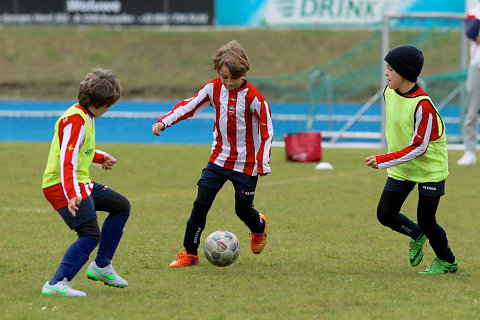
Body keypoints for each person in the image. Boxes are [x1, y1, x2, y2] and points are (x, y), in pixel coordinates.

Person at [152, 40, 273, 268]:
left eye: (232, 78)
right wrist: (164, 122)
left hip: (246, 165)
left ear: (243, 72)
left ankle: (258, 227)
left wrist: (263, 162)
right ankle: (190, 253)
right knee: (201, 204)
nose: (227, 82)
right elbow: (189, 106)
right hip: (218, 159)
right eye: (223, 77)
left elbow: (267, 131)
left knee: (242, 209)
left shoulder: (254, 98)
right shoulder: (213, 88)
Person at [365, 45, 458, 274]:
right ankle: (416, 234)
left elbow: (419, 147)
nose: (386, 73)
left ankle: (447, 261)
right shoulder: (388, 92)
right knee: (385, 215)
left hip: (430, 170)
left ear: (404, 73)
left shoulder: (423, 105)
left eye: (390, 69)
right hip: (403, 167)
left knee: (427, 220)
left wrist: (383, 159)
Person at [41, 69, 130, 297]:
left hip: (79, 183)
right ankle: (57, 283)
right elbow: (66, 162)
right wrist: (71, 194)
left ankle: (101, 266)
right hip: (62, 186)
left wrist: (100, 158)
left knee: (121, 206)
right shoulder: (75, 121)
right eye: (110, 106)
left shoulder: (84, 115)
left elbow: (80, 150)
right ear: (103, 105)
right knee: (90, 234)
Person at [458, 3, 480, 165]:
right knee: (472, 109)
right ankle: (470, 151)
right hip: (477, 67)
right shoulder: (474, 12)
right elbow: (472, 32)